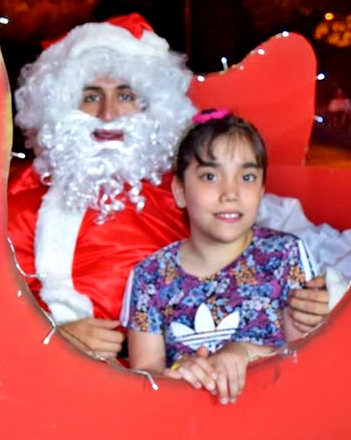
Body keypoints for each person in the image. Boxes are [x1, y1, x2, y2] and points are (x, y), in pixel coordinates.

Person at [7, 14, 333, 360]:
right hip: (57, 387)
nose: (107, 114)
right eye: (90, 96)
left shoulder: (191, 187)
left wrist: (321, 294)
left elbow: (288, 236)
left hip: (189, 378)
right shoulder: (20, 204)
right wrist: (49, 335)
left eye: (125, 95)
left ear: (152, 106)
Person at [123, 110, 305, 403]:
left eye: (246, 177)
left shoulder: (285, 256)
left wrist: (243, 353)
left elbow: (308, 359)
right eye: (210, 176)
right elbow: (145, 376)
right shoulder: (150, 276)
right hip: (187, 432)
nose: (230, 193)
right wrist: (177, 374)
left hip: (274, 423)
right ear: (180, 191)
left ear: (261, 189)